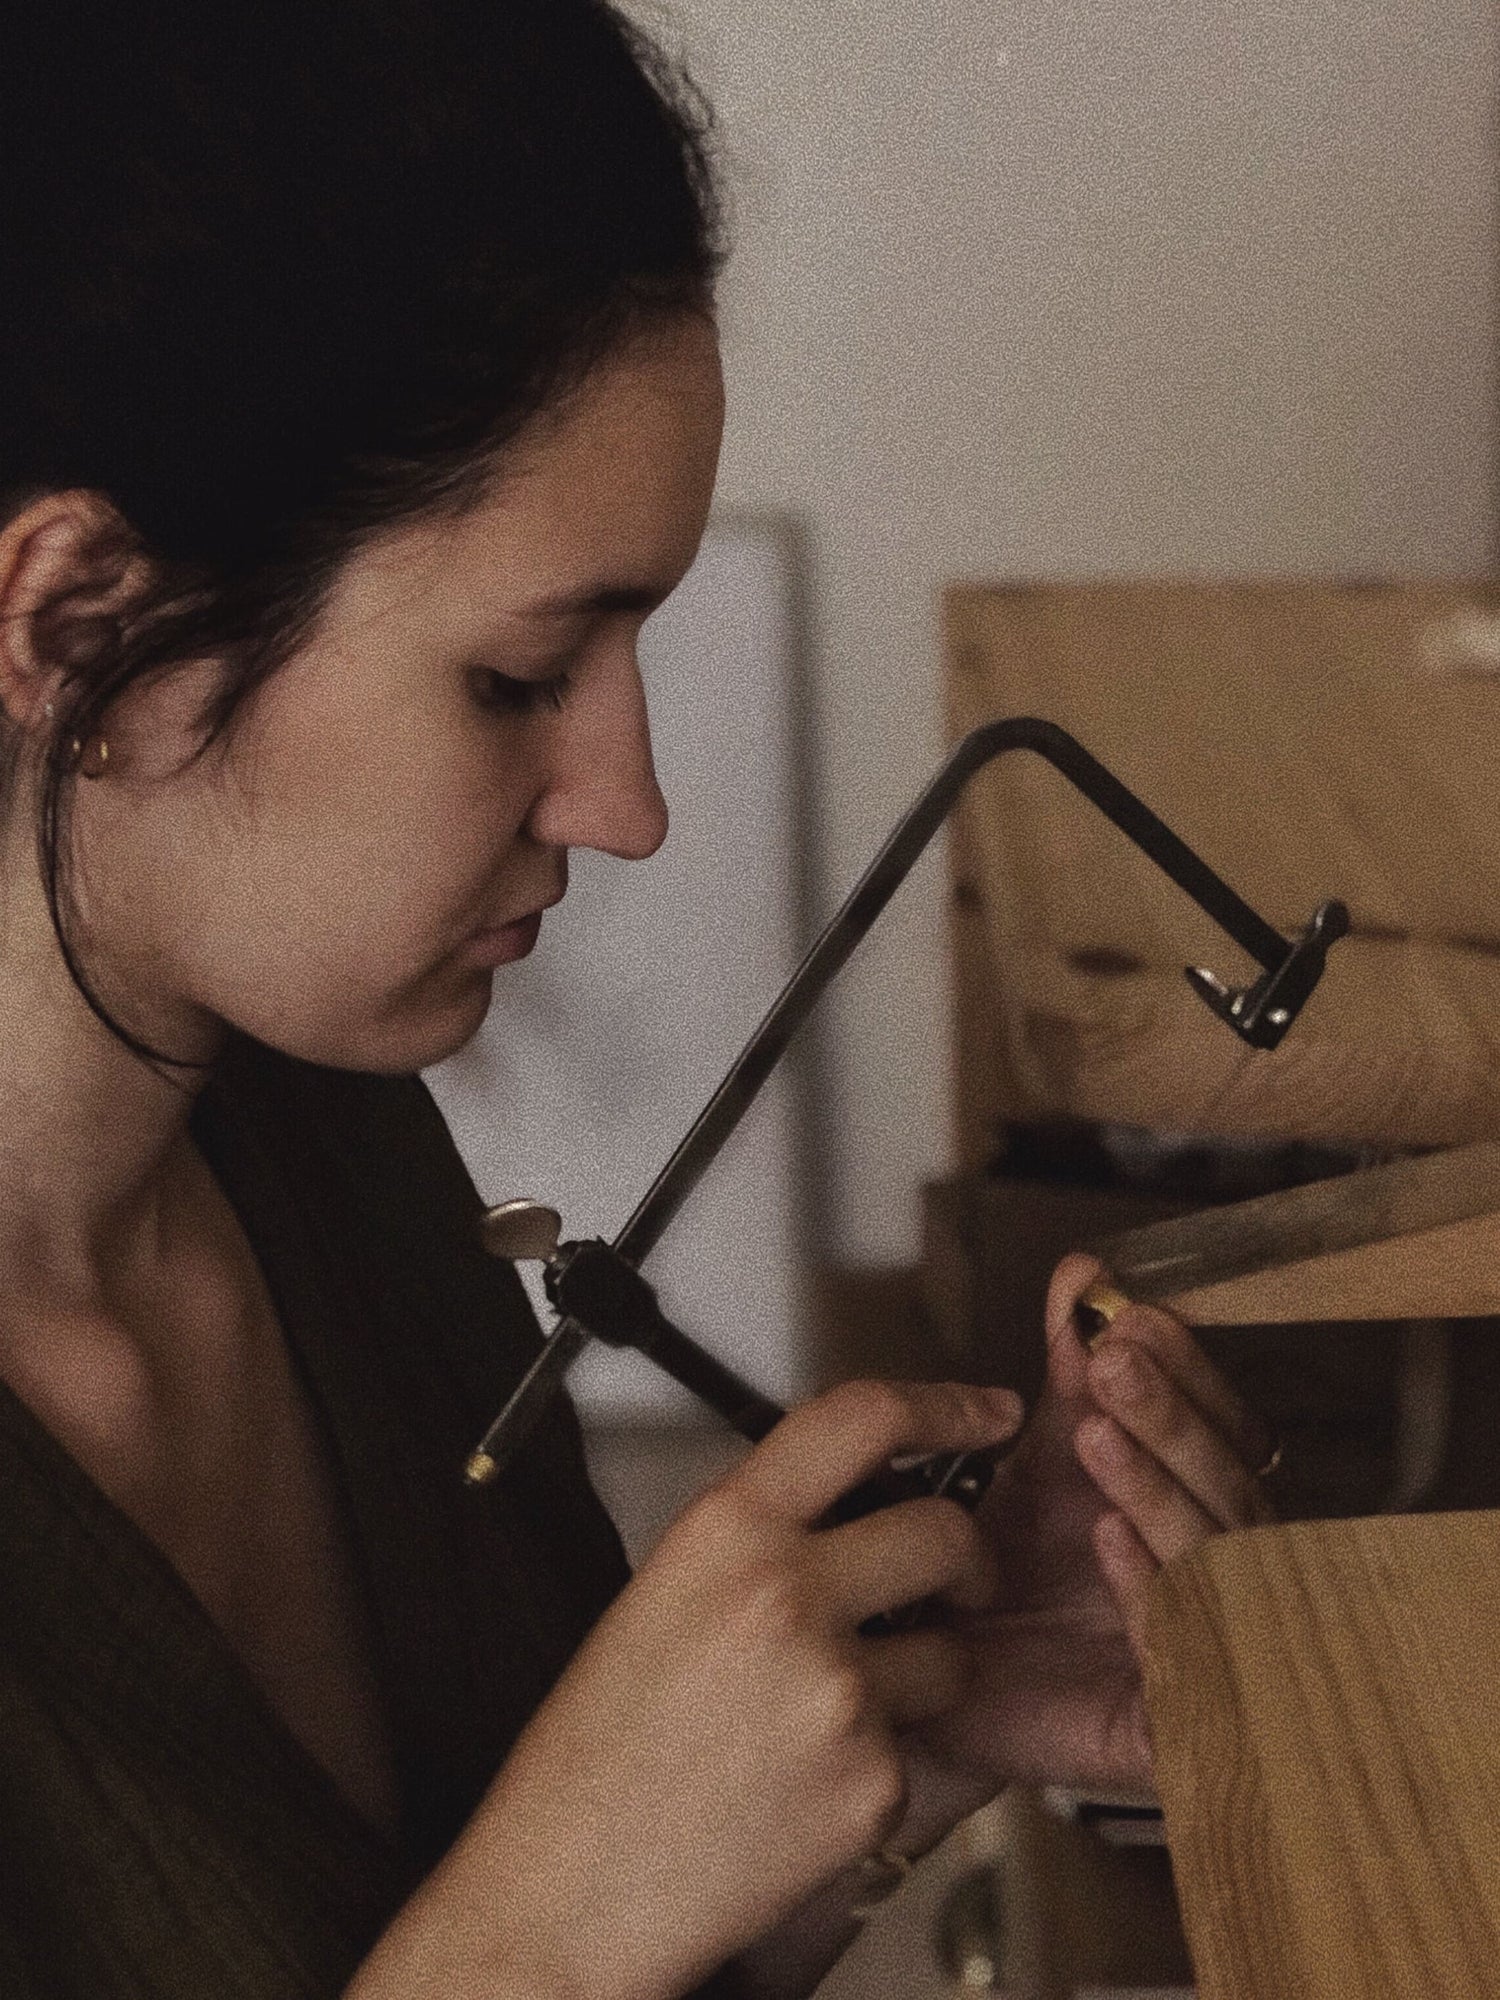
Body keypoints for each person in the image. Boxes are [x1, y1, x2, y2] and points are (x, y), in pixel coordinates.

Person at [0, 3, 1277, 1995]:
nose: (632, 805)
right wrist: (546, 1927)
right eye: (517, 679)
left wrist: (902, 1725)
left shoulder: (316, 1132)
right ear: (81, 621)